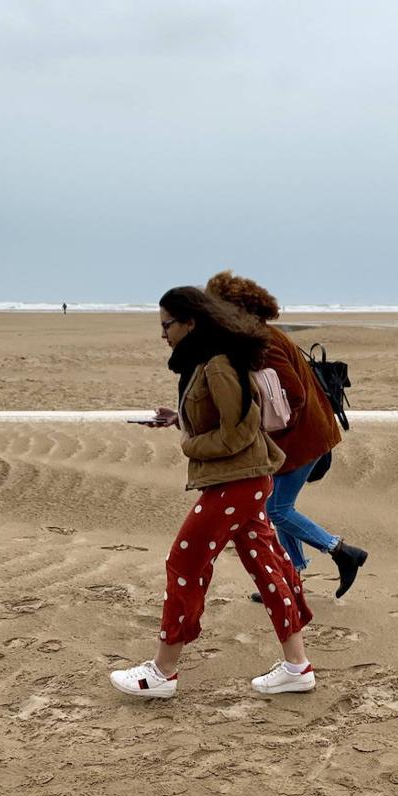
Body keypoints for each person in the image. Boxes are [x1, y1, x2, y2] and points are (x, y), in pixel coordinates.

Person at [109, 286, 316, 699]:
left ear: (190, 322)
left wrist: (190, 446)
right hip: (245, 480)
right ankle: (297, 667)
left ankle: (162, 672)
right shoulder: (207, 362)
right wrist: (178, 421)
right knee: (268, 568)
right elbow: (222, 418)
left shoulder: (219, 364)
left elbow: (239, 432)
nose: (163, 334)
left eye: (167, 325)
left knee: (184, 561)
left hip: (239, 482)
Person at [205, 271, 367, 599]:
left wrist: (261, 425)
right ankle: (290, 575)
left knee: (277, 509)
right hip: (302, 434)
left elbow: (293, 393)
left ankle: (342, 552)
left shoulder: (262, 342)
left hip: (302, 437)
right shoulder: (258, 336)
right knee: (275, 505)